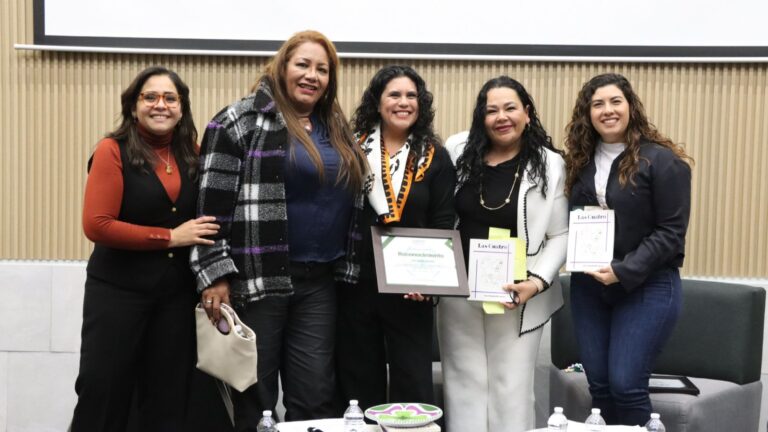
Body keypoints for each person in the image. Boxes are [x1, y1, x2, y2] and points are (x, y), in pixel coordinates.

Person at [190, 30, 367, 428]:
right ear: (282, 66)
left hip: (320, 283)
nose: (312, 75)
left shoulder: (337, 127)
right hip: (257, 283)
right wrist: (214, 275)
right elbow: (210, 210)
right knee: (254, 394)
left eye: (322, 69)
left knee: (315, 396)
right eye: (302, 64)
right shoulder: (238, 121)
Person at [71, 66, 218, 431]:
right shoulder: (111, 150)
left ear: (182, 108)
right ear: (133, 105)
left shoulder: (194, 155)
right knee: (102, 389)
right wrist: (169, 237)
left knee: (167, 396)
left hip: (174, 299)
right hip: (117, 293)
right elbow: (97, 225)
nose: (160, 105)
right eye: (150, 97)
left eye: (170, 98)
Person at [439, 76, 568, 432]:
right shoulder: (457, 149)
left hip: (519, 293)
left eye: (510, 108)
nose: (501, 117)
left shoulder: (550, 163)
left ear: (527, 113)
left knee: (510, 388)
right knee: (463, 383)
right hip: (459, 292)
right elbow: (440, 214)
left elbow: (561, 235)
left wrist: (536, 282)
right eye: (491, 110)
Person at [563, 73, 693, 426]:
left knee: (626, 385)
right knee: (600, 387)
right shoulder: (578, 162)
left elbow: (671, 233)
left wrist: (623, 269)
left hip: (647, 286)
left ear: (630, 107)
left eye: (615, 101)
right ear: (587, 113)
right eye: (598, 104)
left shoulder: (662, 161)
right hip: (589, 287)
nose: (607, 110)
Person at [335, 65, 456, 412]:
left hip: (411, 289)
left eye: (411, 96)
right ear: (377, 102)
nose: (404, 103)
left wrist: (431, 282)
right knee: (359, 383)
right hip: (356, 285)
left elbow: (444, 221)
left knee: (413, 385)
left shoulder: (435, 156)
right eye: (394, 95)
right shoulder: (351, 150)